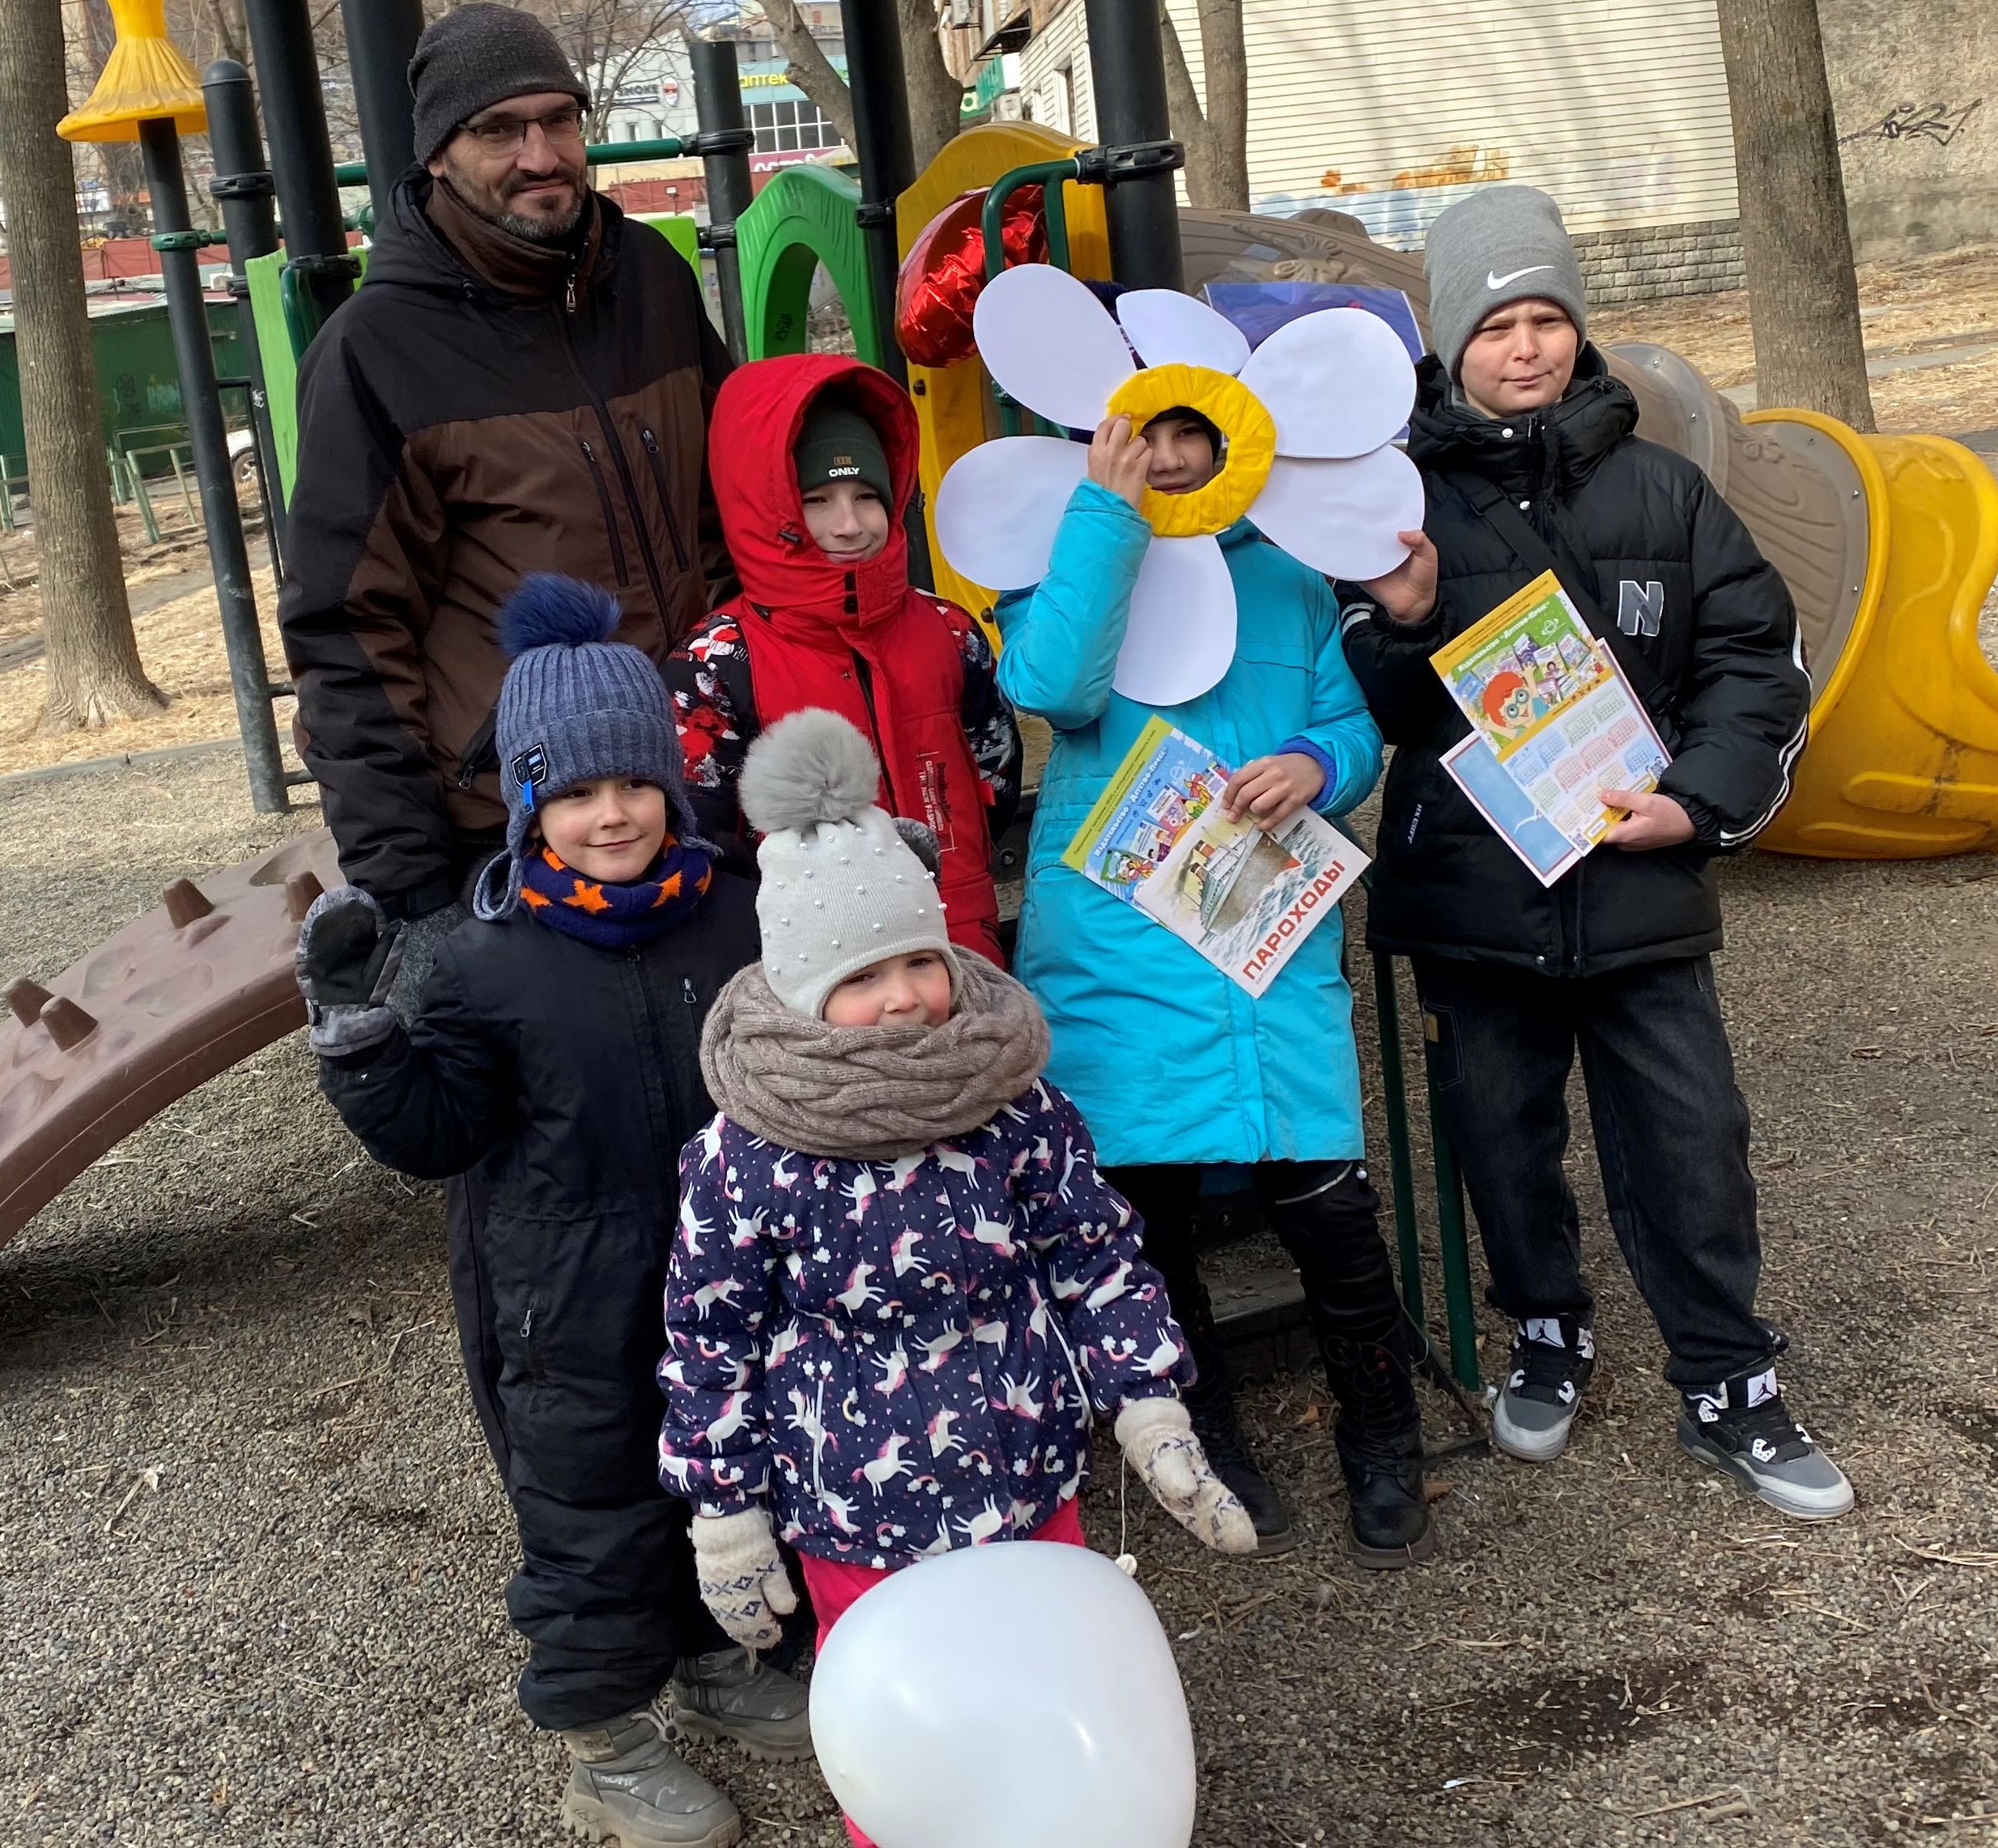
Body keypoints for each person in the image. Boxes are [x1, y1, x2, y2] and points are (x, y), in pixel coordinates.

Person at [658, 711, 1258, 1848]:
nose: (902, 997)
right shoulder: (749, 1154)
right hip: (856, 1506)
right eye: (860, 975)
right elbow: (709, 1338)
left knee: (1051, 1686)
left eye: (918, 961)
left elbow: (1094, 1253)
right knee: (906, 1733)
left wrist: (1148, 1403)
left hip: (1026, 1473)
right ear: (799, 987)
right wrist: (724, 1508)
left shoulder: (1009, 1103)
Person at [1340, 182, 1849, 1520]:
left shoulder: (1664, 489)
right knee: (1500, 1137)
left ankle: (1729, 1379)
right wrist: (1404, 622)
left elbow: (1755, 661)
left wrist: (1700, 799)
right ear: (1449, 343)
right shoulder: (1394, 501)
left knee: (1691, 1136)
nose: (1525, 348)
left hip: (1636, 879)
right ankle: (1545, 1326)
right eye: (1494, 325)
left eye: (1546, 318)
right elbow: (1381, 712)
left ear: (1577, 326)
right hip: (1475, 891)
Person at [295, 574, 802, 1848]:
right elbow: (438, 1137)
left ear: (671, 784)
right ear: (529, 808)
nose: (609, 813)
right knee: (594, 1513)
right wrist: (366, 1048)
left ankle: (718, 1658)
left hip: (728, 1279)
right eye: (572, 793)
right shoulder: (483, 959)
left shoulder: (739, 918)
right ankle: (604, 1740)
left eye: (632, 782)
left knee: (727, 1471)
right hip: (565, 1302)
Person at [994, 398, 1430, 1567]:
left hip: (1264, 936)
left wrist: (1315, 763)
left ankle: (1383, 1439)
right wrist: (1108, 521)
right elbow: (1053, 685)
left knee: (1328, 1205)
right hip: (1119, 940)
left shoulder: (1288, 575)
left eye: (1194, 436)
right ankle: (1210, 1437)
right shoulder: (1060, 550)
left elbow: (1348, 726)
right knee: (1151, 1214)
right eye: (1149, 435)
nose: (1174, 459)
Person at [282, 1, 731, 967]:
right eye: (498, 130)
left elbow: (729, 510)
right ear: (439, 158)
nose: (540, 155)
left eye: (558, 120)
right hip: (520, 820)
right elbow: (347, 632)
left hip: (693, 785)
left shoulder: (650, 280)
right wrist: (407, 883)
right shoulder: (377, 349)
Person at [662, 355, 1020, 958]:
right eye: (817, 499)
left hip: (961, 941)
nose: (849, 524)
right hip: (812, 963)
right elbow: (703, 837)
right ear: (769, 512)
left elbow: (998, 781)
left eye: (866, 495)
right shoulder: (717, 661)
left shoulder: (949, 630)